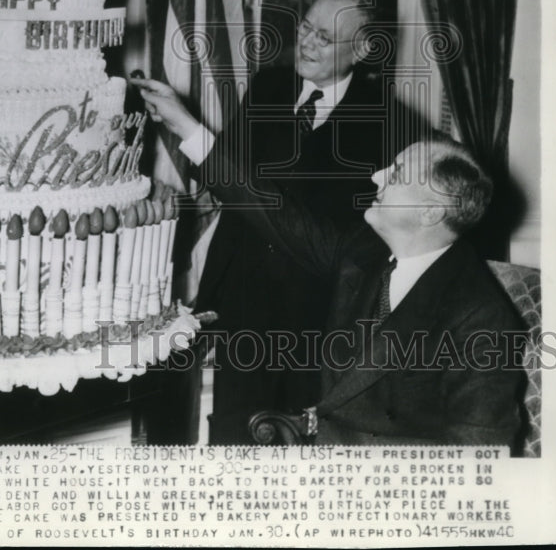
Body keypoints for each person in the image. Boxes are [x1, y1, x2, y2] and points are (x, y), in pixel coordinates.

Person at [135, 0, 422, 442]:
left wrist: (189, 128)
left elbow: (329, 242)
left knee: (298, 454)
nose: (305, 43)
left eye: (324, 37)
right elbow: (222, 174)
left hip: (316, 325)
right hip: (243, 305)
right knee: (232, 438)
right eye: (305, 27)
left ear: (363, 50)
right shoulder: (269, 86)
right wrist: (181, 129)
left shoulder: (392, 127)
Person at [198, 134, 525, 447]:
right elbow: (275, 213)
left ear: (430, 212)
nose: (376, 176)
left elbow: (480, 454)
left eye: (395, 174)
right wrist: (187, 129)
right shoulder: (362, 250)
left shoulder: (483, 319)